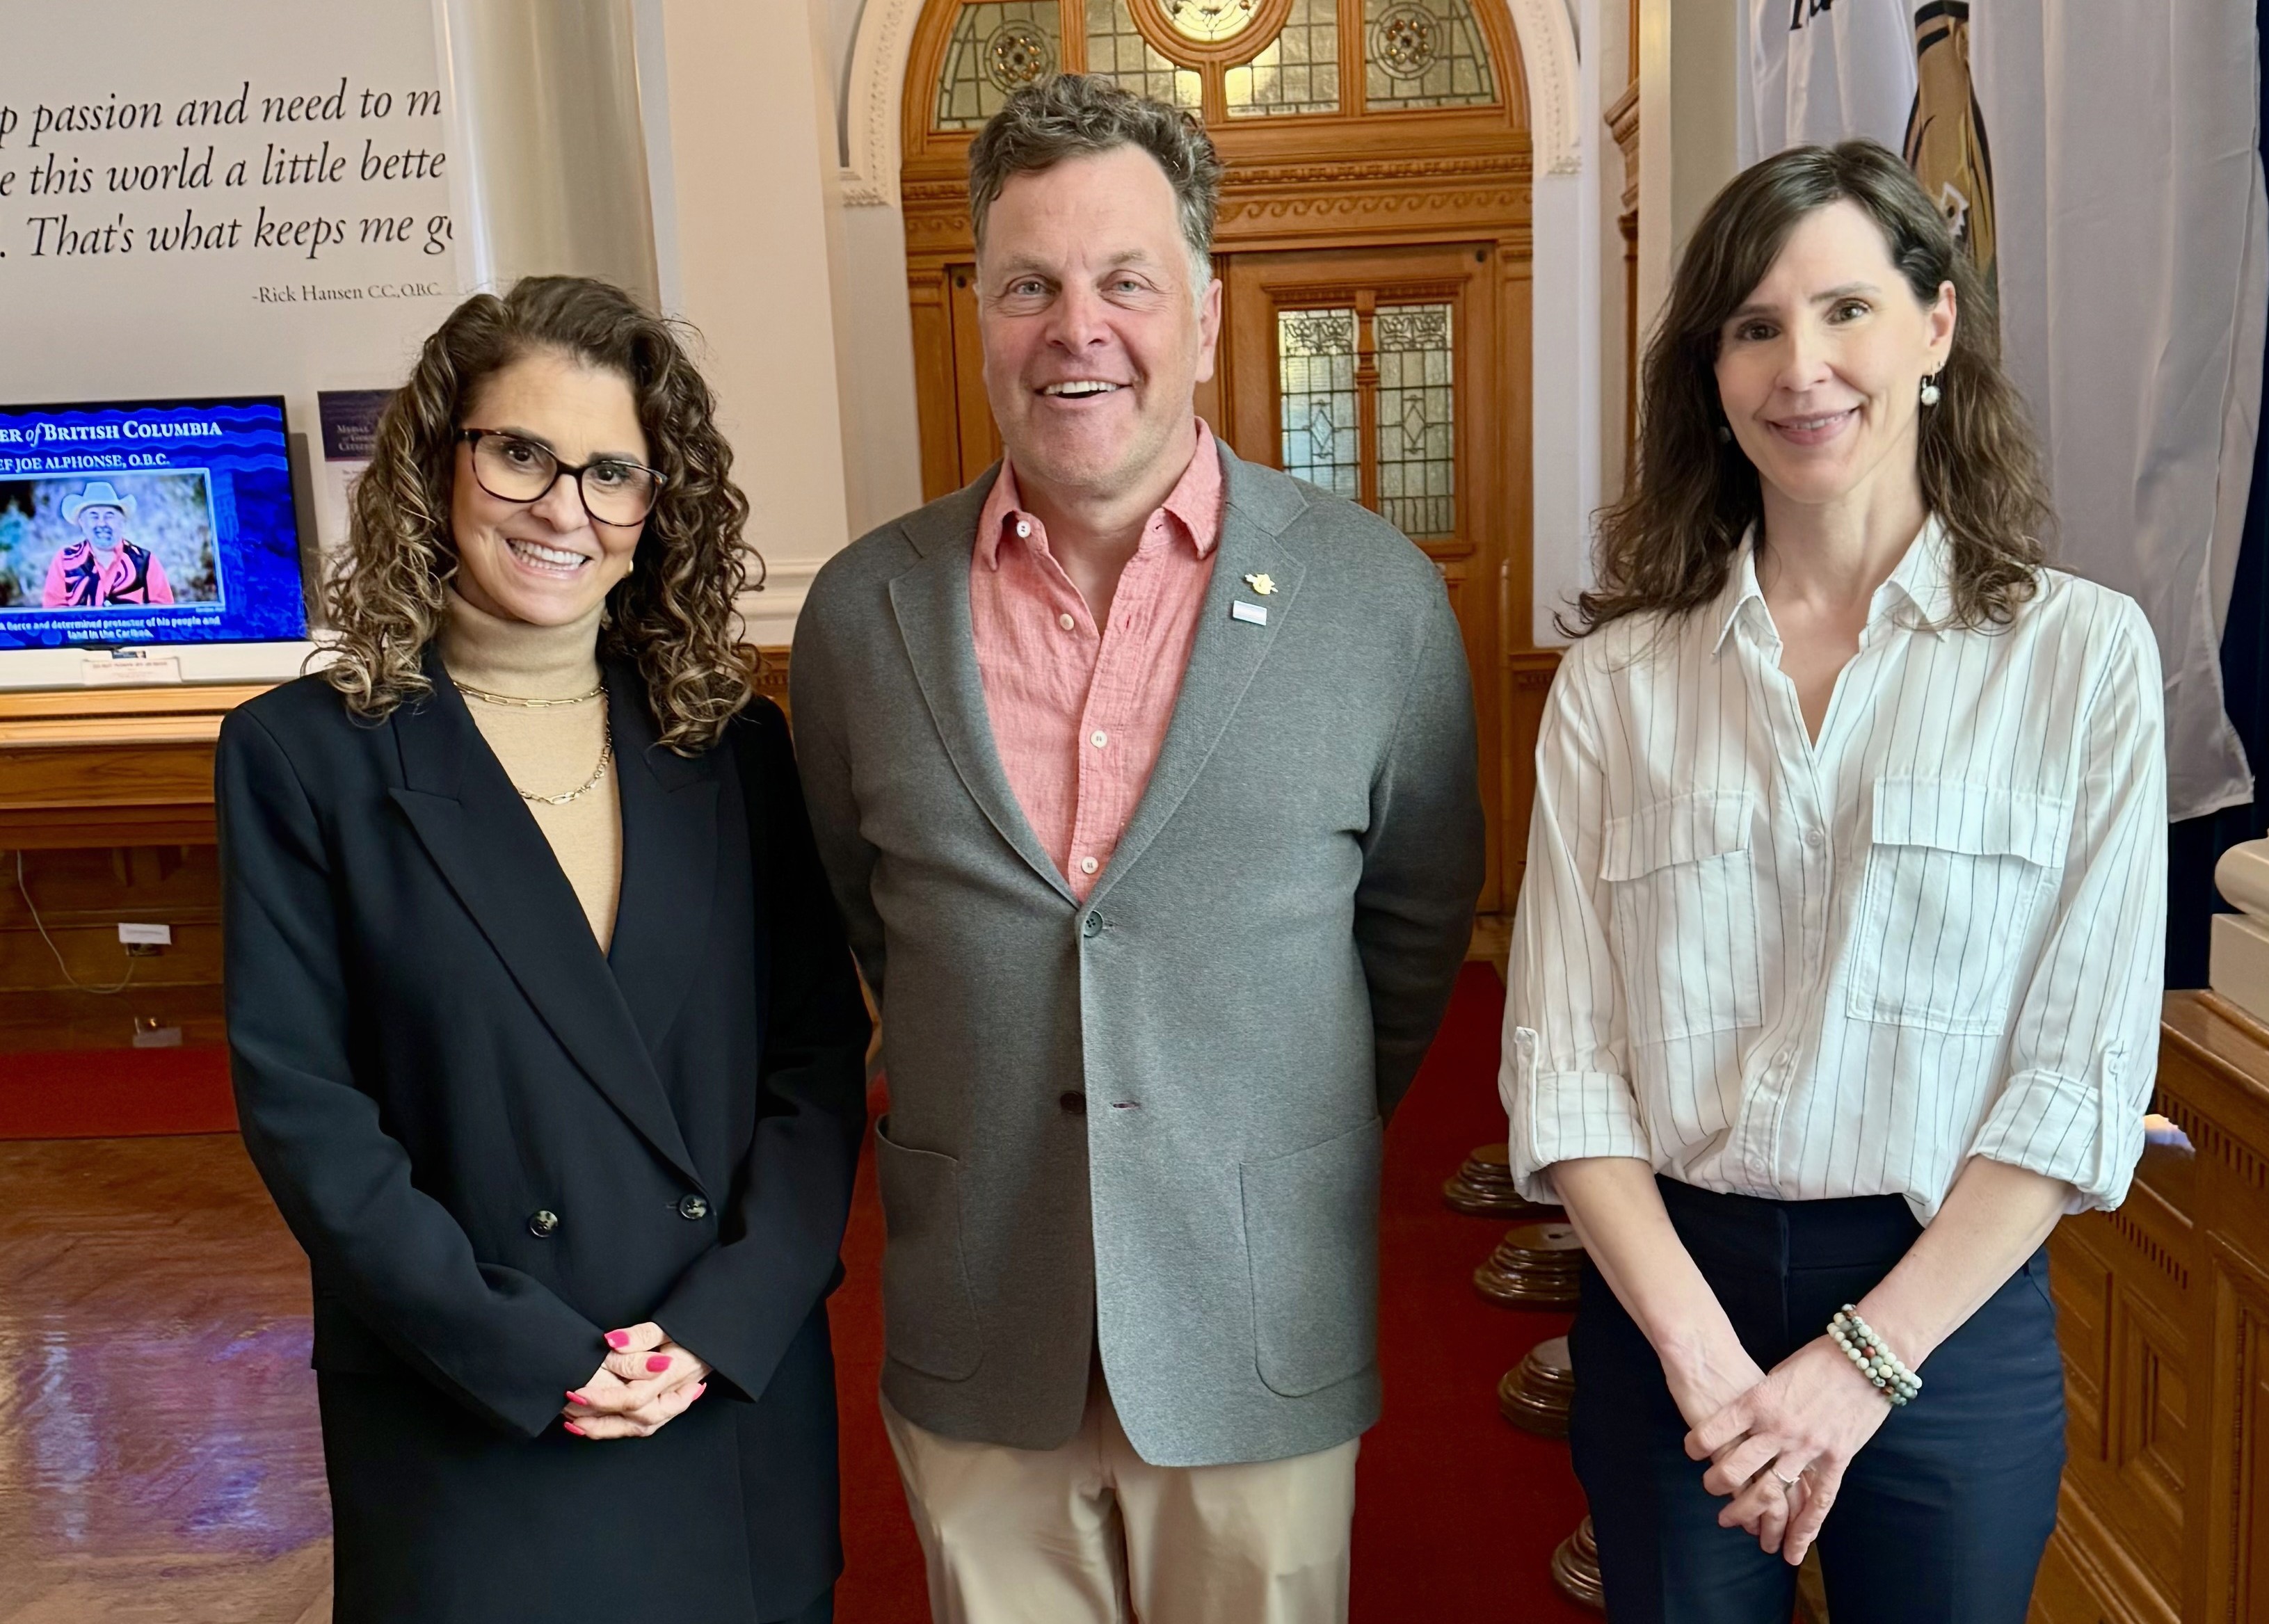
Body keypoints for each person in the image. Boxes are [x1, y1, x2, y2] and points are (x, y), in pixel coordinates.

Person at [794, 74, 1483, 1624]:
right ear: (980, 314)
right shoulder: (860, 614)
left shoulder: (1374, 601)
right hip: (983, 1311)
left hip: (1256, 1313)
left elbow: (1412, 931)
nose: (1075, 329)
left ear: (1206, 314)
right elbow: (862, 914)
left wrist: (1250, 1120)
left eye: (1124, 281)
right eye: (1027, 285)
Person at [1501, 140, 2166, 1623]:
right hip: (1672, 1300)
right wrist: (1699, 1358)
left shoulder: (2078, 661)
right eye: (1752, 326)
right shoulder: (1615, 683)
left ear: (1934, 327)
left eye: (1843, 310)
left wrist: (1859, 1366)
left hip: (1947, 1311)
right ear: (1709, 374)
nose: (1798, 366)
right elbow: (1562, 1068)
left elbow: (2073, 1079)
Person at [215, 275, 869, 1624]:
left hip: (719, 1402)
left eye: (610, 472)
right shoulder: (301, 759)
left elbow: (814, 1067)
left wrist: (720, 1325)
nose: (563, 508)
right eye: (520, 453)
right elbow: (308, 1115)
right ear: (437, 462)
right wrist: (530, 1351)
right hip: (471, 1413)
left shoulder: (736, 748)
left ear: (656, 507)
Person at [41, 481, 174, 606]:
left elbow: (165, 613)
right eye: (94, 516)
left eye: (109, 515)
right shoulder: (64, 560)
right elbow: (53, 613)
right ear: (82, 522)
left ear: (122, 521)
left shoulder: (146, 561)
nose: (102, 523)